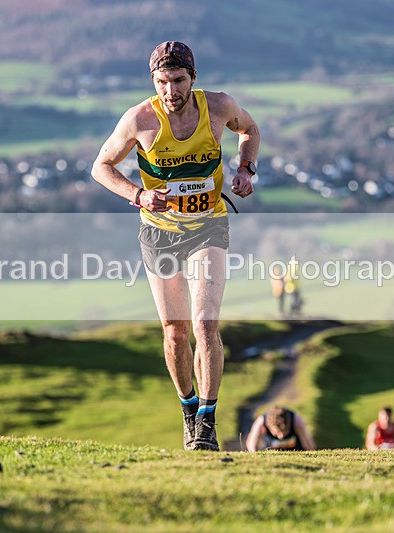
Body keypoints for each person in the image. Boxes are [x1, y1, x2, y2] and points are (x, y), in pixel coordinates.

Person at [91, 41, 259, 451]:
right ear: (153, 81)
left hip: (208, 226)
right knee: (175, 331)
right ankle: (187, 409)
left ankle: (207, 419)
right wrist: (137, 194)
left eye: (178, 81)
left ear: (193, 77)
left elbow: (250, 130)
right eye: (162, 82)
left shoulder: (218, 107)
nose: (171, 91)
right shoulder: (138, 119)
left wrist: (245, 169)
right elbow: (101, 167)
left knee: (204, 324)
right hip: (159, 232)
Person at [245, 406, 316, 451]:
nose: (281, 436)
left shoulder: (297, 421)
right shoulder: (261, 423)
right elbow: (251, 445)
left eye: (284, 431)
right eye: (277, 433)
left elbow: (310, 447)